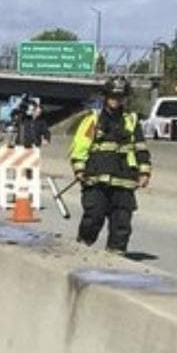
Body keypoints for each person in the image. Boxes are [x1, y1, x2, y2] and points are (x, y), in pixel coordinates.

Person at [69, 77, 151, 254]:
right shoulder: (93, 119)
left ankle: (116, 256)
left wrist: (144, 172)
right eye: (113, 95)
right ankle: (81, 249)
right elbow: (80, 146)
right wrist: (79, 169)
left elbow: (140, 148)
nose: (116, 99)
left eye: (120, 96)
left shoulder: (132, 120)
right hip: (95, 178)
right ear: (106, 97)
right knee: (93, 217)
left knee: (122, 223)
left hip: (124, 178)